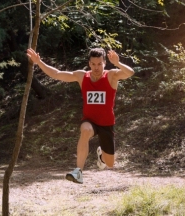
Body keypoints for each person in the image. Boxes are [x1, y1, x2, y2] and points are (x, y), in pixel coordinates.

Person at [26, 47, 134, 184]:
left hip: (106, 123)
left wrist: (118, 63)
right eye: (93, 64)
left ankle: (101, 155)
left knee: (110, 163)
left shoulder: (111, 76)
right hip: (89, 120)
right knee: (85, 130)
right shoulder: (82, 76)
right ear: (89, 63)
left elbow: (130, 73)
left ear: (104, 63)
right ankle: (78, 172)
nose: (96, 68)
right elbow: (58, 74)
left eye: (99, 64)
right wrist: (39, 62)